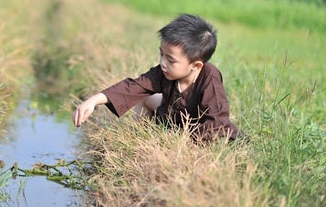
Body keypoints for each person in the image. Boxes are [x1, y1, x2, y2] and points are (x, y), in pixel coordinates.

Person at [72, 13, 242, 142]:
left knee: (217, 132)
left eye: (171, 59)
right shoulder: (164, 72)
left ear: (195, 65)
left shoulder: (209, 78)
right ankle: (138, 139)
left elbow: (216, 122)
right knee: (142, 98)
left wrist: (186, 144)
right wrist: (94, 100)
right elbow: (135, 87)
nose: (162, 63)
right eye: (161, 55)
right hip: (173, 120)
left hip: (199, 134)